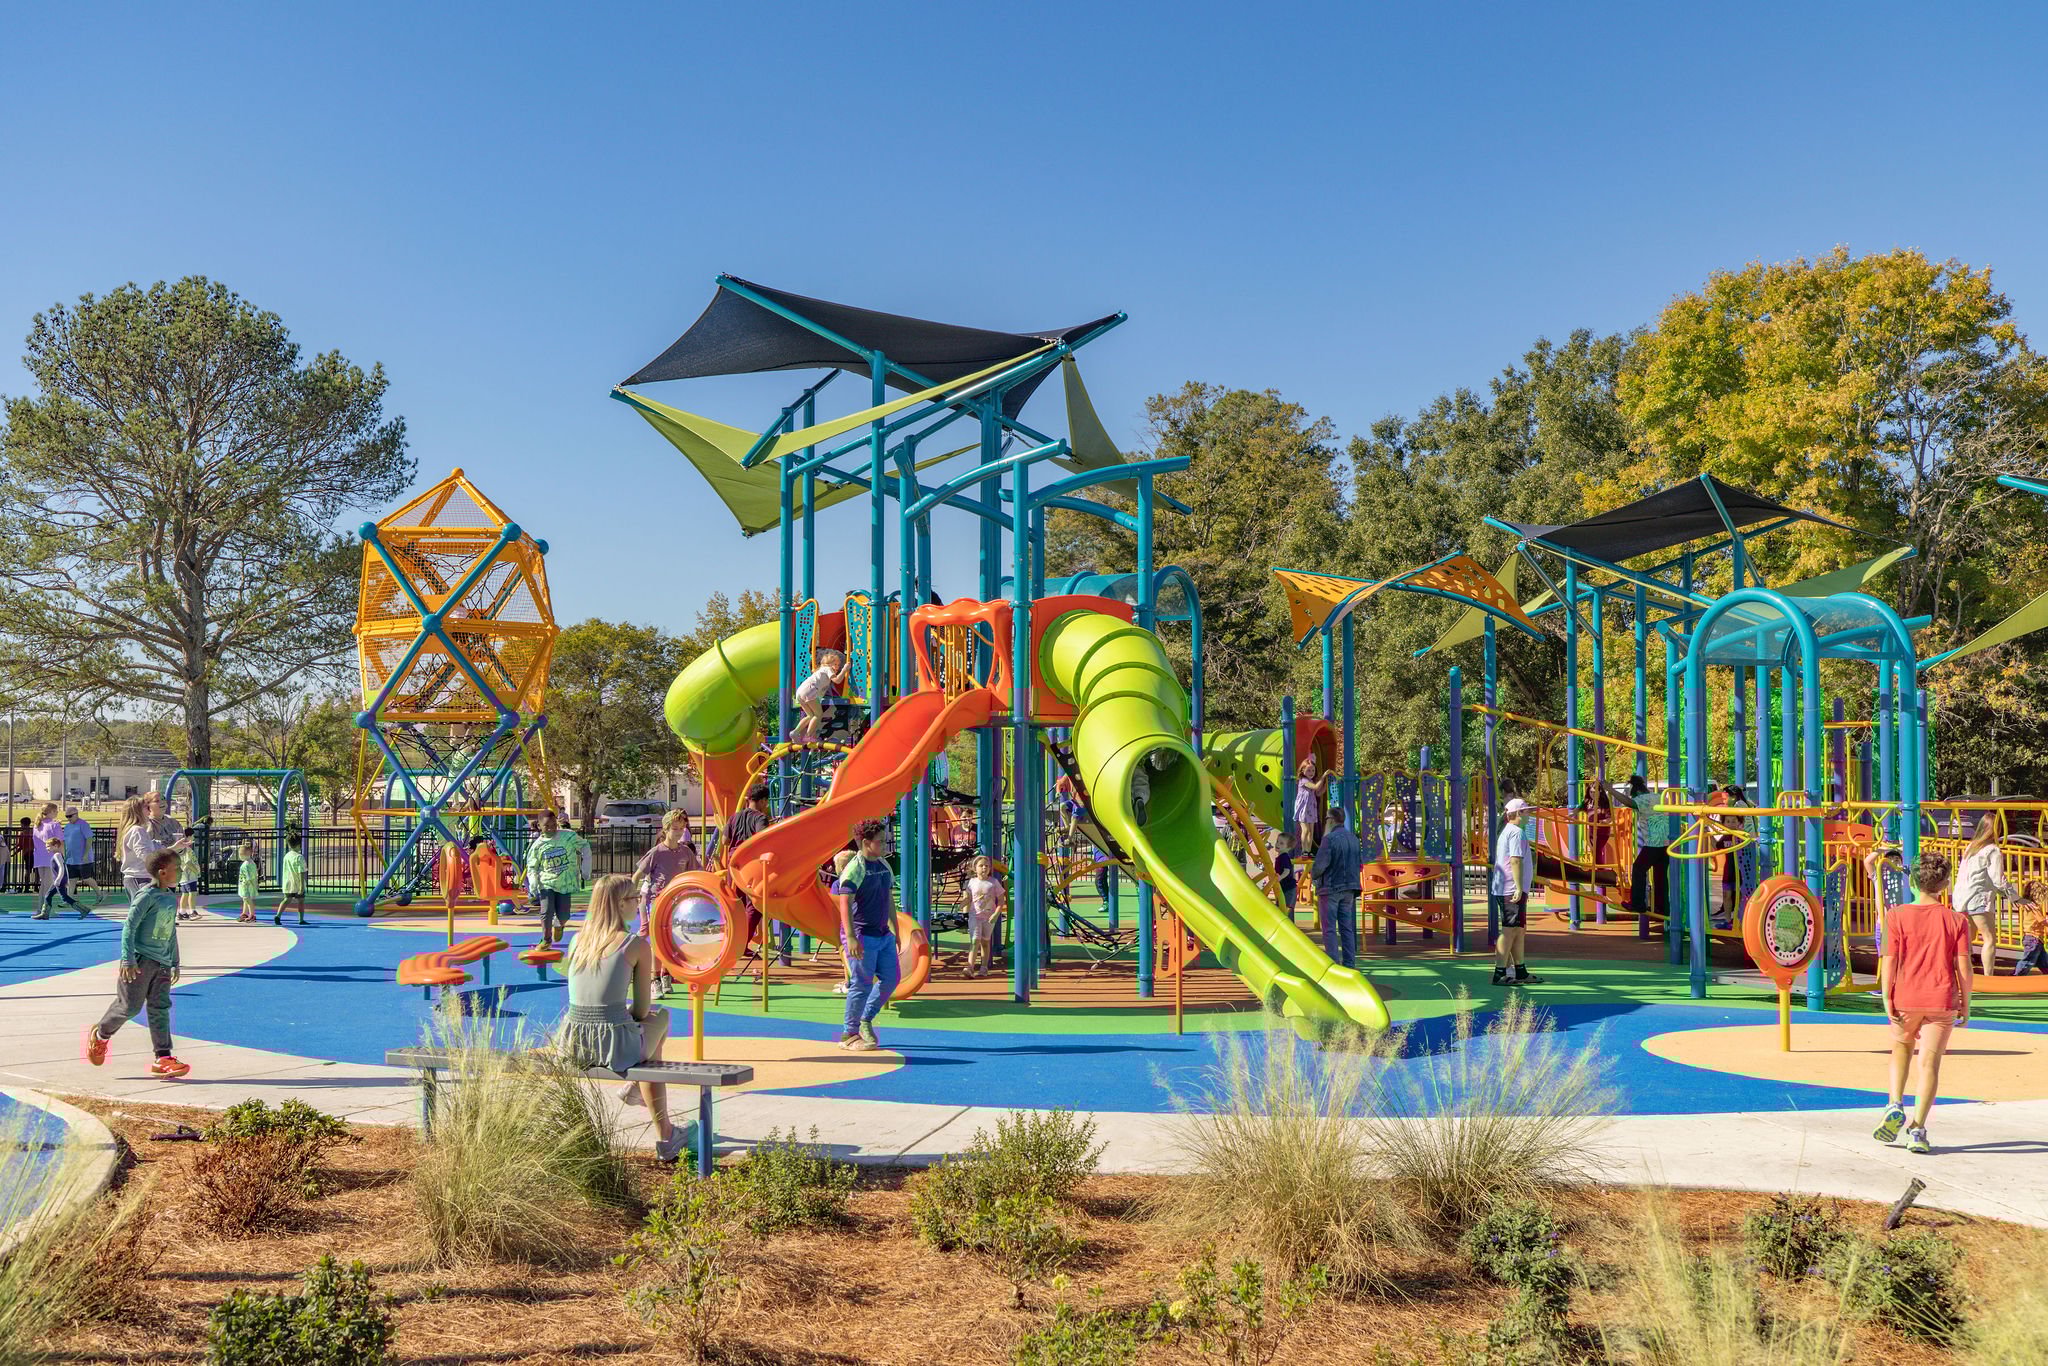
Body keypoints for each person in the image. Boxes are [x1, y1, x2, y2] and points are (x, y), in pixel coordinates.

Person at [551, 874, 687, 1162]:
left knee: (647, 1037)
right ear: (619, 904)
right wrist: (623, 1016)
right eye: (634, 899)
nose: (639, 904)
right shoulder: (634, 944)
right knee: (660, 1018)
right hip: (615, 1046)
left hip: (574, 1042)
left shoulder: (577, 941)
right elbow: (640, 1009)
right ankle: (664, 1134)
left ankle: (649, 1106)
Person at [1869, 848, 1973, 1156]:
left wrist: (1888, 996)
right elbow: (1964, 966)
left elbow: (1889, 960)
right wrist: (1966, 1002)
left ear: (1912, 881)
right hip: (1941, 999)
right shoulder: (1957, 920)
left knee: (1901, 1048)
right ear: (1944, 885)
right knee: (1929, 1063)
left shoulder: (1896, 916)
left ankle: (1894, 1102)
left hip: (1906, 996)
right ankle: (1918, 1129)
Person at [82, 848, 191, 1078]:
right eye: (177, 869)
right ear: (163, 873)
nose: (181, 872)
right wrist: (128, 958)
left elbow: (170, 931)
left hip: (162, 963)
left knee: (160, 1008)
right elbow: (129, 928)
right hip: (140, 961)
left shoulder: (170, 898)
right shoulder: (146, 896)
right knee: (129, 1006)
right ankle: (101, 1033)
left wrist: (175, 961)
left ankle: (163, 1057)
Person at [832, 819, 898, 1050]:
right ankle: (848, 1035)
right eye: (880, 841)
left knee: (891, 979)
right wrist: (850, 937)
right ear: (867, 843)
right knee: (861, 984)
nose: (884, 844)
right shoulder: (855, 868)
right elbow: (844, 903)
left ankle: (865, 1019)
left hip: (883, 934)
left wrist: (895, 929)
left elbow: (889, 899)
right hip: (861, 934)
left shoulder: (883, 865)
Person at [1955, 814, 2015, 980]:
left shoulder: (1971, 847)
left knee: (1968, 939)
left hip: (1962, 899)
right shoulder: (1992, 850)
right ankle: (1989, 977)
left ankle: (1965, 975)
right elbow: (1998, 879)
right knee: (1989, 938)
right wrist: (2015, 897)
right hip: (1979, 898)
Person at [1492, 796, 1542, 986]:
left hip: (1508, 887)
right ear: (1519, 813)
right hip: (1510, 888)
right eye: (1527, 811)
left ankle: (1520, 970)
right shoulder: (1515, 833)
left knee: (1518, 930)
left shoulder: (1511, 831)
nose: (1530, 815)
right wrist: (1519, 887)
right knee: (1509, 930)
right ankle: (1500, 972)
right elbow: (1515, 860)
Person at [1310, 805, 1364, 968]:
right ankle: (1349, 963)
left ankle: (1334, 963)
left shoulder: (1329, 839)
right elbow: (1358, 863)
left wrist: (1314, 876)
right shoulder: (1353, 838)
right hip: (1349, 888)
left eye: (1327, 819)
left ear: (1331, 820)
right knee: (1346, 927)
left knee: (1329, 929)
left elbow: (1321, 865)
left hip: (1331, 887)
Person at [525, 810, 581, 945]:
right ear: (539, 826)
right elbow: (532, 866)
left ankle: (559, 924)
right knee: (546, 911)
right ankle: (546, 939)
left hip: (564, 883)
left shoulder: (564, 838)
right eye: (547, 826)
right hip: (546, 883)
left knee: (564, 914)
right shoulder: (537, 846)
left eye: (553, 825)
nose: (551, 829)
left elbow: (579, 848)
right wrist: (533, 883)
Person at [117, 794, 189, 898]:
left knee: (150, 910)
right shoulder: (137, 830)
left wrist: (175, 847)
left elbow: (155, 849)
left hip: (142, 877)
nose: (149, 810)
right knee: (147, 910)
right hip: (139, 878)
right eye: (146, 808)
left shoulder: (138, 830)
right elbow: (146, 856)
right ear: (138, 811)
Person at [1624, 774, 1673, 926]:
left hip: (1654, 842)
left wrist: (1609, 790)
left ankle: (1637, 903)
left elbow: (1629, 803)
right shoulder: (1658, 796)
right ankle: (1662, 908)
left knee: (1639, 868)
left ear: (1636, 791)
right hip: (1666, 842)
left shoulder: (1641, 799)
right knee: (1660, 875)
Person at [791, 649, 851, 743]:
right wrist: (844, 670)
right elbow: (837, 680)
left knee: (810, 715)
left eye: (839, 666)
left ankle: (795, 732)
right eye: (835, 665)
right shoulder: (828, 669)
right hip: (810, 691)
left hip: (801, 691)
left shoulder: (820, 670)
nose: (837, 668)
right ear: (828, 663)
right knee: (818, 714)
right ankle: (808, 736)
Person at [963, 854, 1003, 979]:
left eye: (987, 866)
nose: (984, 868)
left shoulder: (993, 882)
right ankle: (970, 967)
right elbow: (968, 898)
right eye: (981, 866)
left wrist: (996, 914)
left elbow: (1001, 901)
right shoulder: (971, 882)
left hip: (989, 917)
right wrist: (963, 907)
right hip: (975, 916)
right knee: (975, 940)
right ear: (975, 868)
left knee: (985, 942)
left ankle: (984, 967)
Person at [32, 837, 88, 919]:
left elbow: (62, 867)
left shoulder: (57, 855)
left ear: (55, 846)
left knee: (64, 897)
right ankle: (45, 914)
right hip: (59, 879)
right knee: (48, 895)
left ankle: (84, 909)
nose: (47, 848)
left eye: (48, 846)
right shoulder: (58, 855)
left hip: (59, 880)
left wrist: (58, 879)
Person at [1294, 759, 1331, 852]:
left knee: (1311, 831)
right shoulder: (1303, 780)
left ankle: (1308, 851)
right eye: (1309, 770)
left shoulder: (1311, 780)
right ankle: (1304, 851)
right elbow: (1315, 787)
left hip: (1311, 808)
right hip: (1304, 808)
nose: (1311, 772)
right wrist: (1323, 777)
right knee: (1305, 830)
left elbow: (1318, 793)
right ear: (1303, 770)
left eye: (1313, 770)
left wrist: (1326, 784)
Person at [726, 785, 772, 858]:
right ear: (762, 801)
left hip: (734, 860)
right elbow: (763, 839)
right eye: (767, 801)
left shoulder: (734, 817)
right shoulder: (760, 818)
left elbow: (724, 840)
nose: (767, 805)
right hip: (749, 860)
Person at [2013, 882, 2047, 976]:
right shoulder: (2034, 907)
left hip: (2034, 938)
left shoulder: (2026, 906)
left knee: (2043, 961)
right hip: (2034, 938)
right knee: (2028, 961)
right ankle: (2016, 976)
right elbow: (2042, 921)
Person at [62, 806, 94, 900]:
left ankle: (99, 893)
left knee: (87, 878)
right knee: (71, 880)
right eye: (66, 816)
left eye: (70, 816)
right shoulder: (67, 827)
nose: (68, 818)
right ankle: (69, 899)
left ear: (76, 814)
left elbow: (89, 839)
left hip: (83, 858)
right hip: (71, 858)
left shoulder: (83, 824)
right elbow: (65, 841)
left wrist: (85, 854)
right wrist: (65, 854)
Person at [274, 833, 307, 926]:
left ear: (289, 844)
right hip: (297, 883)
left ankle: (278, 915)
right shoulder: (299, 857)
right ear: (299, 844)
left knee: (286, 900)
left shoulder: (287, 856)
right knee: (301, 901)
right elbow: (301, 872)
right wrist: (301, 886)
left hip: (288, 883)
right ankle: (301, 919)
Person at [32, 802, 62, 903]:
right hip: (52, 857)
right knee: (49, 885)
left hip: (39, 857)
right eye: (56, 811)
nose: (57, 812)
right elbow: (60, 842)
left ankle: (40, 908)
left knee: (44, 884)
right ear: (51, 812)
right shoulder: (55, 825)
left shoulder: (37, 825)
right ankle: (47, 909)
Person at [175, 833, 204, 921]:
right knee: (192, 893)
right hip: (189, 875)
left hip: (184, 876)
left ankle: (182, 912)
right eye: (192, 836)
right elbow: (188, 862)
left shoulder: (180, 850)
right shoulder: (187, 850)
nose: (193, 838)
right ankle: (192, 912)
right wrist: (196, 871)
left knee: (185, 894)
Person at [1269, 830, 1298, 912]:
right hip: (1284, 887)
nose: (1277, 844)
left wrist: (1280, 877)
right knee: (1280, 907)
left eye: (1281, 843)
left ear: (1288, 848)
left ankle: (1288, 923)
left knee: (1285, 909)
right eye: (1277, 841)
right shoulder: (1280, 857)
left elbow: (1287, 871)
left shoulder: (1284, 857)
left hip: (1289, 889)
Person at [236, 841, 261, 923]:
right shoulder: (251, 863)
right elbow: (254, 875)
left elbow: (249, 877)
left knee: (248, 900)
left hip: (246, 885)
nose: (239, 856)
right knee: (245, 900)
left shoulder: (246, 865)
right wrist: (256, 884)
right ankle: (244, 913)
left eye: (240, 854)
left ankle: (252, 915)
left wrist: (254, 885)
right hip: (247, 885)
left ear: (244, 854)